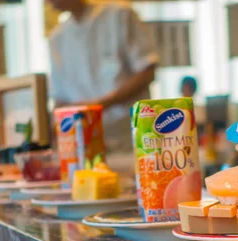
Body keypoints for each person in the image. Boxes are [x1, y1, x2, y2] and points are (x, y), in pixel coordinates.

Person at [48, 0, 159, 153]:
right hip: (83, 145)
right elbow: (60, 98)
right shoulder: (57, 38)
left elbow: (147, 72)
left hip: (129, 138)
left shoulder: (119, 15)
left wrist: (98, 106)